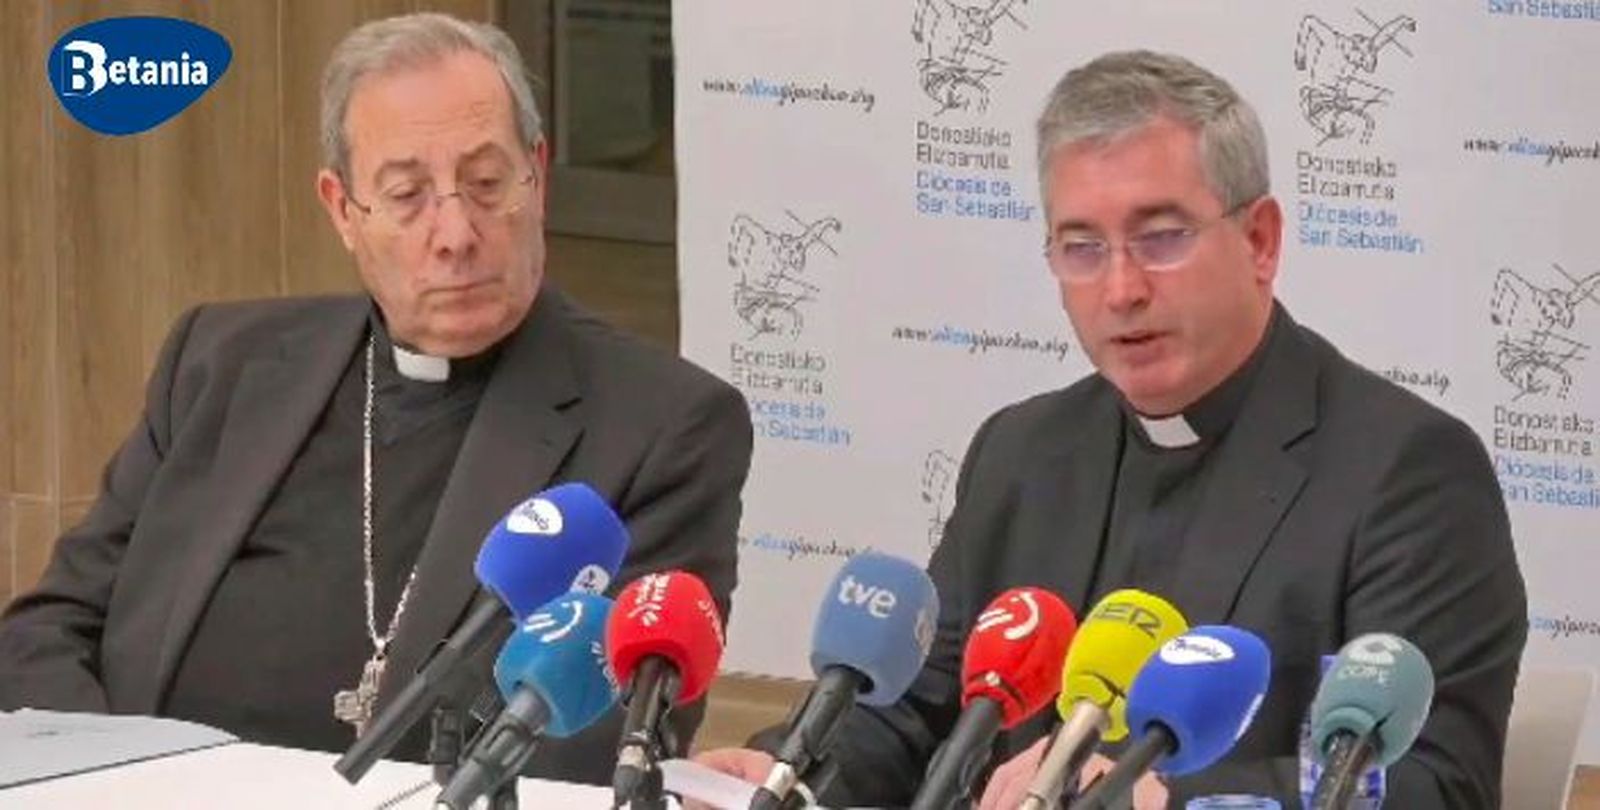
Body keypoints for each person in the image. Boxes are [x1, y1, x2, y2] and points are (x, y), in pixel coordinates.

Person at [697, 50, 1526, 808]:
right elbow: (915, 713)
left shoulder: (1407, 472)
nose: (1121, 288)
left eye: (1160, 237)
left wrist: (1155, 794)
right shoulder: (1023, 452)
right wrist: (783, 775)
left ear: (1260, 240)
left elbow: (1433, 784)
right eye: (1082, 246)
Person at [0, 12, 752, 786]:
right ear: (342, 210)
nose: (455, 231)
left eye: (487, 184)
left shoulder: (665, 427)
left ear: (539, 176)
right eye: (407, 194)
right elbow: (47, 635)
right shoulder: (221, 364)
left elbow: (586, 753)